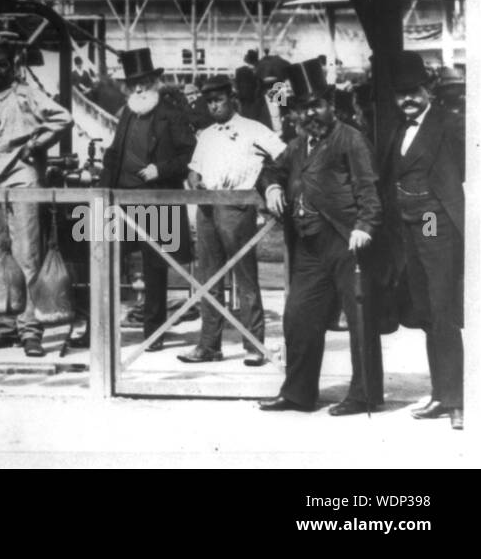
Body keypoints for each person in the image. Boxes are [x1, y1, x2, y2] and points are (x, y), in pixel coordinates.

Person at [258, 58, 384, 415]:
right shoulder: (299, 144)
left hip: (347, 241)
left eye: (316, 104)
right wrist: (270, 189)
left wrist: (365, 226)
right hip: (310, 248)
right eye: (301, 107)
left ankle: (364, 396)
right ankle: (298, 393)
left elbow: (369, 190)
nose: (309, 113)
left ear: (330, 105)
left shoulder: (351, 139)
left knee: (359, 321)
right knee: (298, 317)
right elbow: (271, 169)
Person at [0, 34, 72, 356]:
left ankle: (30, 330)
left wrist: (36, 146)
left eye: (2, 65)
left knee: (26, 256)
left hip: (20, 178)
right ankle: (5, 327)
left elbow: (64, 118)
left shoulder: (26, 95)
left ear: (12, 66)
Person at [81, 48, 196, 350]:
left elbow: (189, 154)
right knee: (103, 262)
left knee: (155, 268)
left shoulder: (172, 113)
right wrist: (103, 194)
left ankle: (153, 332)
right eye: (134, 83)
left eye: (144, 81)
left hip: (156, 198)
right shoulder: (128, 113)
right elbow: (114, 154)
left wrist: (161, 169)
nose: (139, 88)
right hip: (120, 200)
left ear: (154, 81)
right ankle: (96, 330)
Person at [380, 52, 464, 430]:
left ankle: (454, 399)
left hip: (430, 220)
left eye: (412, 92)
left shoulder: (448, 124)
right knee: (426, 311)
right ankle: (442, 392)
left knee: (440, 308)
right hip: (407, 228)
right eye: (400, 95)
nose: (407, 100)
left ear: (426, 89)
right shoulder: (398, 128)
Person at [177, 75, 286, 366]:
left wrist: (268, 184)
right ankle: (209, 345)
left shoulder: (253, 129)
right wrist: (195, 181)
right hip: (207, 208)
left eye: (219, 100)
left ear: (231, 99)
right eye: (209, 101)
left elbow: (283, 155)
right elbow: (193, 170)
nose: (214, 106)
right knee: (209, 279)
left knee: (245, 277)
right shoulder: (207, 134)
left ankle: (253, 346)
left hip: (237, 207)